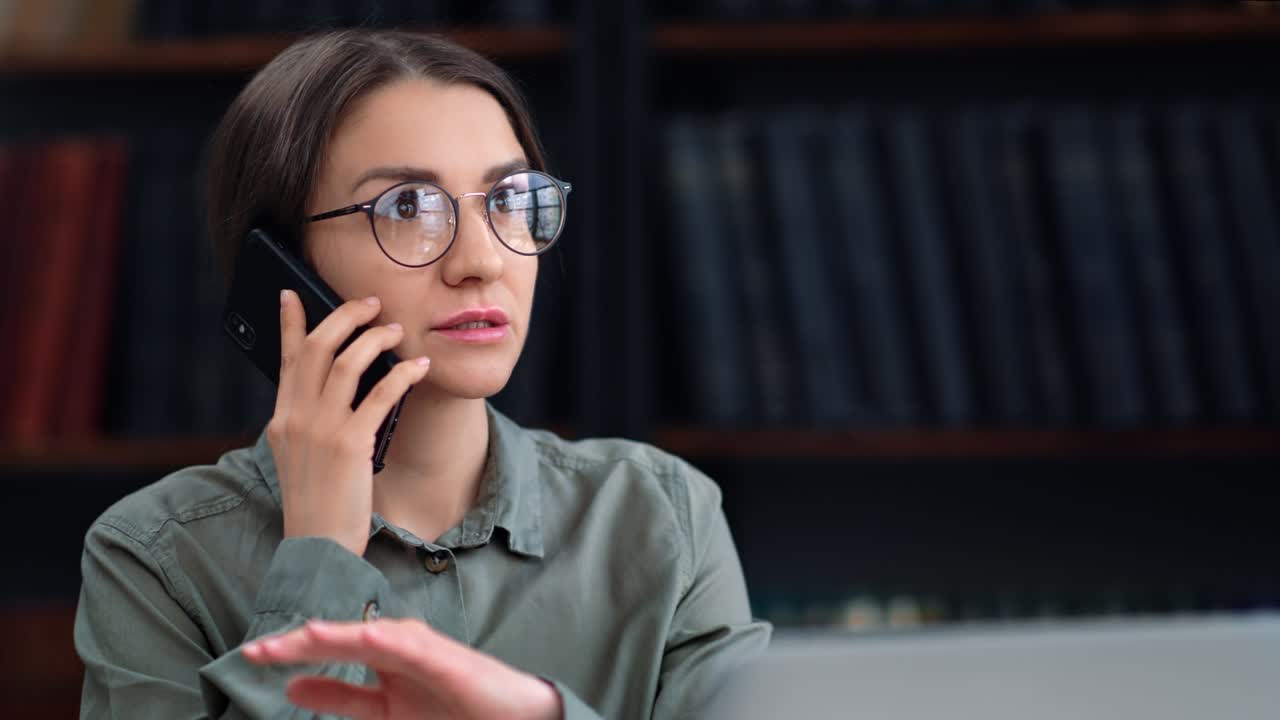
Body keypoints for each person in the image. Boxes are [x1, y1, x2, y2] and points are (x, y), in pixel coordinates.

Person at [73, 28, 771, 720]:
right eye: (408, 208)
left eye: (509, 200)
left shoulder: (660, 516)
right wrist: (318, 557)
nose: (483, 261)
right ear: (280, 264)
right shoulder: (157, 556)